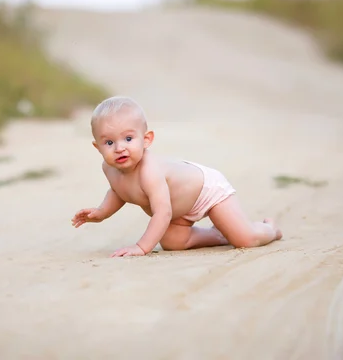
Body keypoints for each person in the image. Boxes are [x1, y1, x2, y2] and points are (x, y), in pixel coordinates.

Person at [71, 96, 282, 257]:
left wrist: (142, 247)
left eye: (128, 138)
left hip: (207, 191)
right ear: (97, 147)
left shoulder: (149, 171)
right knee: (172, 241)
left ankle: (268, 229)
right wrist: (102, 212)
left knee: (244, 239)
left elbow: (162, 213)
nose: (119, 148)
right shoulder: (109, 169)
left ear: (146, 139)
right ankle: (219, 234)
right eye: (109, 142)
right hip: (180, 210)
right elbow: (118, 191)